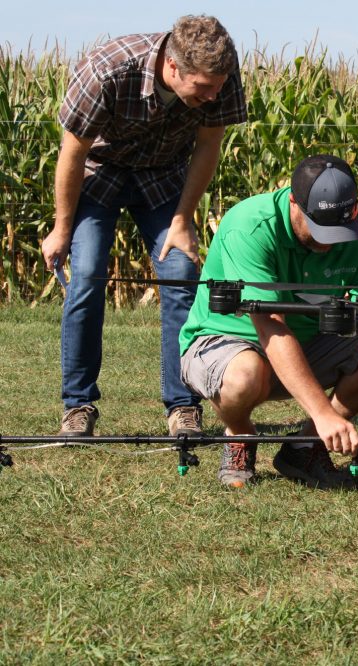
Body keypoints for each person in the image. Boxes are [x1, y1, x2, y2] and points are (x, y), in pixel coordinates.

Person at [41, 15, 248, 438]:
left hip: (164, 178)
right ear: (173, 69)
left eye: (217, 87)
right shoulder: (107, 71)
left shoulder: (221, 74)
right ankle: (78, 405)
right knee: (86, 276)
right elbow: (72, 155)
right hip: (101, 173)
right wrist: (62, 229)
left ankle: (183, 407)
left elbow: (208, 145)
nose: (213, 96)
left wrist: (182, 219)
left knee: (180, 276)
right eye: (204, 88)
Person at [179, 155, 358, 488]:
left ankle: (305, 445)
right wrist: (325, 413)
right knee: (244, 375)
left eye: (339, 230)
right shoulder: (250, 226)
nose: (329, 241)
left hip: (308, 343)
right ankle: (239, 433)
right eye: (321, 227)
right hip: (227, 342)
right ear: (294, 201)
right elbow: (272, 327)